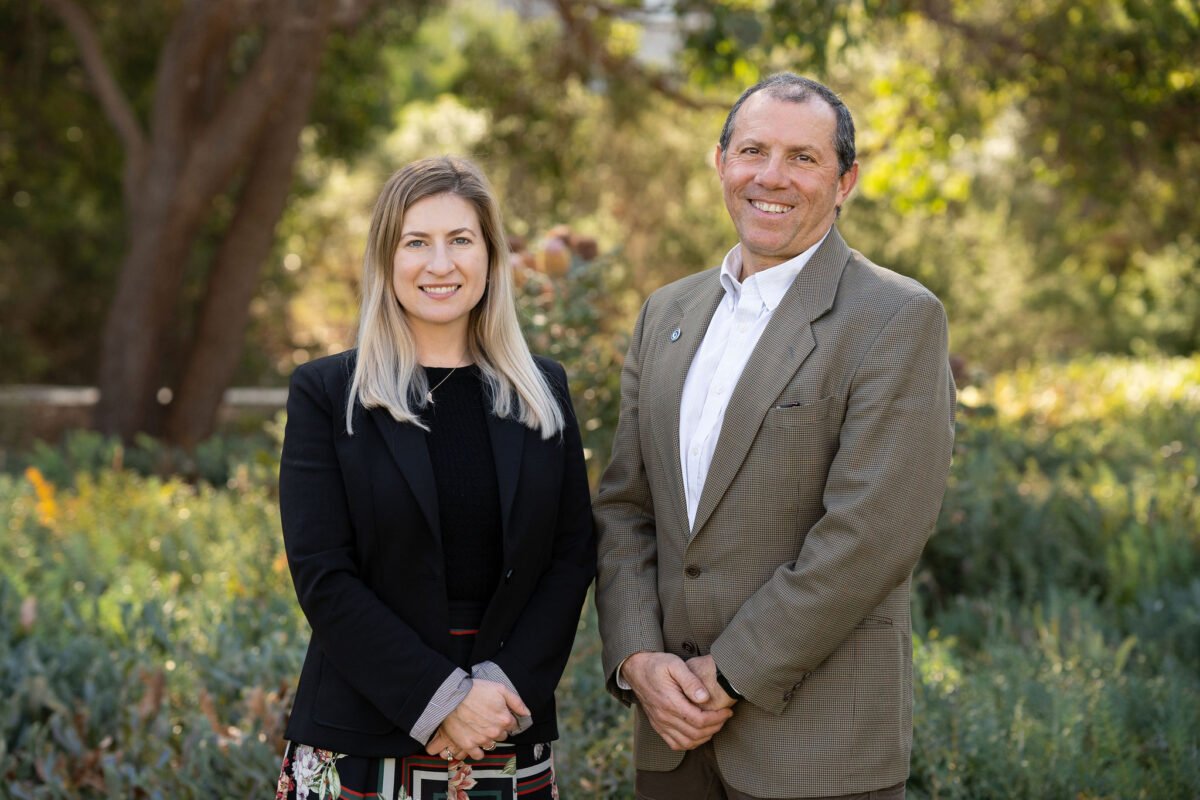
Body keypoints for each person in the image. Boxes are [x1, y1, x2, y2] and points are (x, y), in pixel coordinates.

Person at [594, 73, 956, 800]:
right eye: (753, 150)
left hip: (816, 752)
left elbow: (870, 534)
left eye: (803, 158)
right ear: (720, 162)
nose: (771, 176)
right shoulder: (666, 312)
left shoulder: (896, 316)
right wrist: (637, 658)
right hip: (670, 743)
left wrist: (728, 673)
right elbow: (626, 508)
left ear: (845, 181)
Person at [275, 156, 595, 800]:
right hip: (361, 735)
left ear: (491, 256)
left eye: (461, 240)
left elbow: (571, 555)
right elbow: (322, 573)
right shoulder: (328, 393)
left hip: (505, 725)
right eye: (416, 242)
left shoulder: (542, 390)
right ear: (386, 259)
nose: (440, 264)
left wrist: (500, 689)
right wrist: (439, 698)